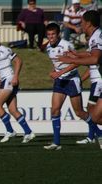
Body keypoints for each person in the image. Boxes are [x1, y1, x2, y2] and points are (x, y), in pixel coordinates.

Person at [43, 22, 101, 150]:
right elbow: (56, 64)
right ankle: (56, 143)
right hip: (60, 81)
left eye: (53, 34)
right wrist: (56, 73)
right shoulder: (48, 47)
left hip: (71, 80)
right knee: (55, 110)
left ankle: (99, 133)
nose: (51, 37)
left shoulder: (66, 45)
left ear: (58, 35)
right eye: (48, 34)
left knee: (79, 112)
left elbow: (76, 62)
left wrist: (59, 73)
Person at [57, 10, 102, 148]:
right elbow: (91, 53)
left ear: (88, 23)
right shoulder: (96, 35)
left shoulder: (97, 37)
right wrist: (76, 55)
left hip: (99, 81)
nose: (80, 24)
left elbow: (95, 58)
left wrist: (68, 59)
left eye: (82, 21)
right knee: (94, 115)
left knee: (94, 116)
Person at [0, 32, 36, 144]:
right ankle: (28, 132)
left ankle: (10, 130)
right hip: (5, 81)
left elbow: (18, 61)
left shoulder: (5, 50)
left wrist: (15, 77)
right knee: (13, 110)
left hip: (9, 80)